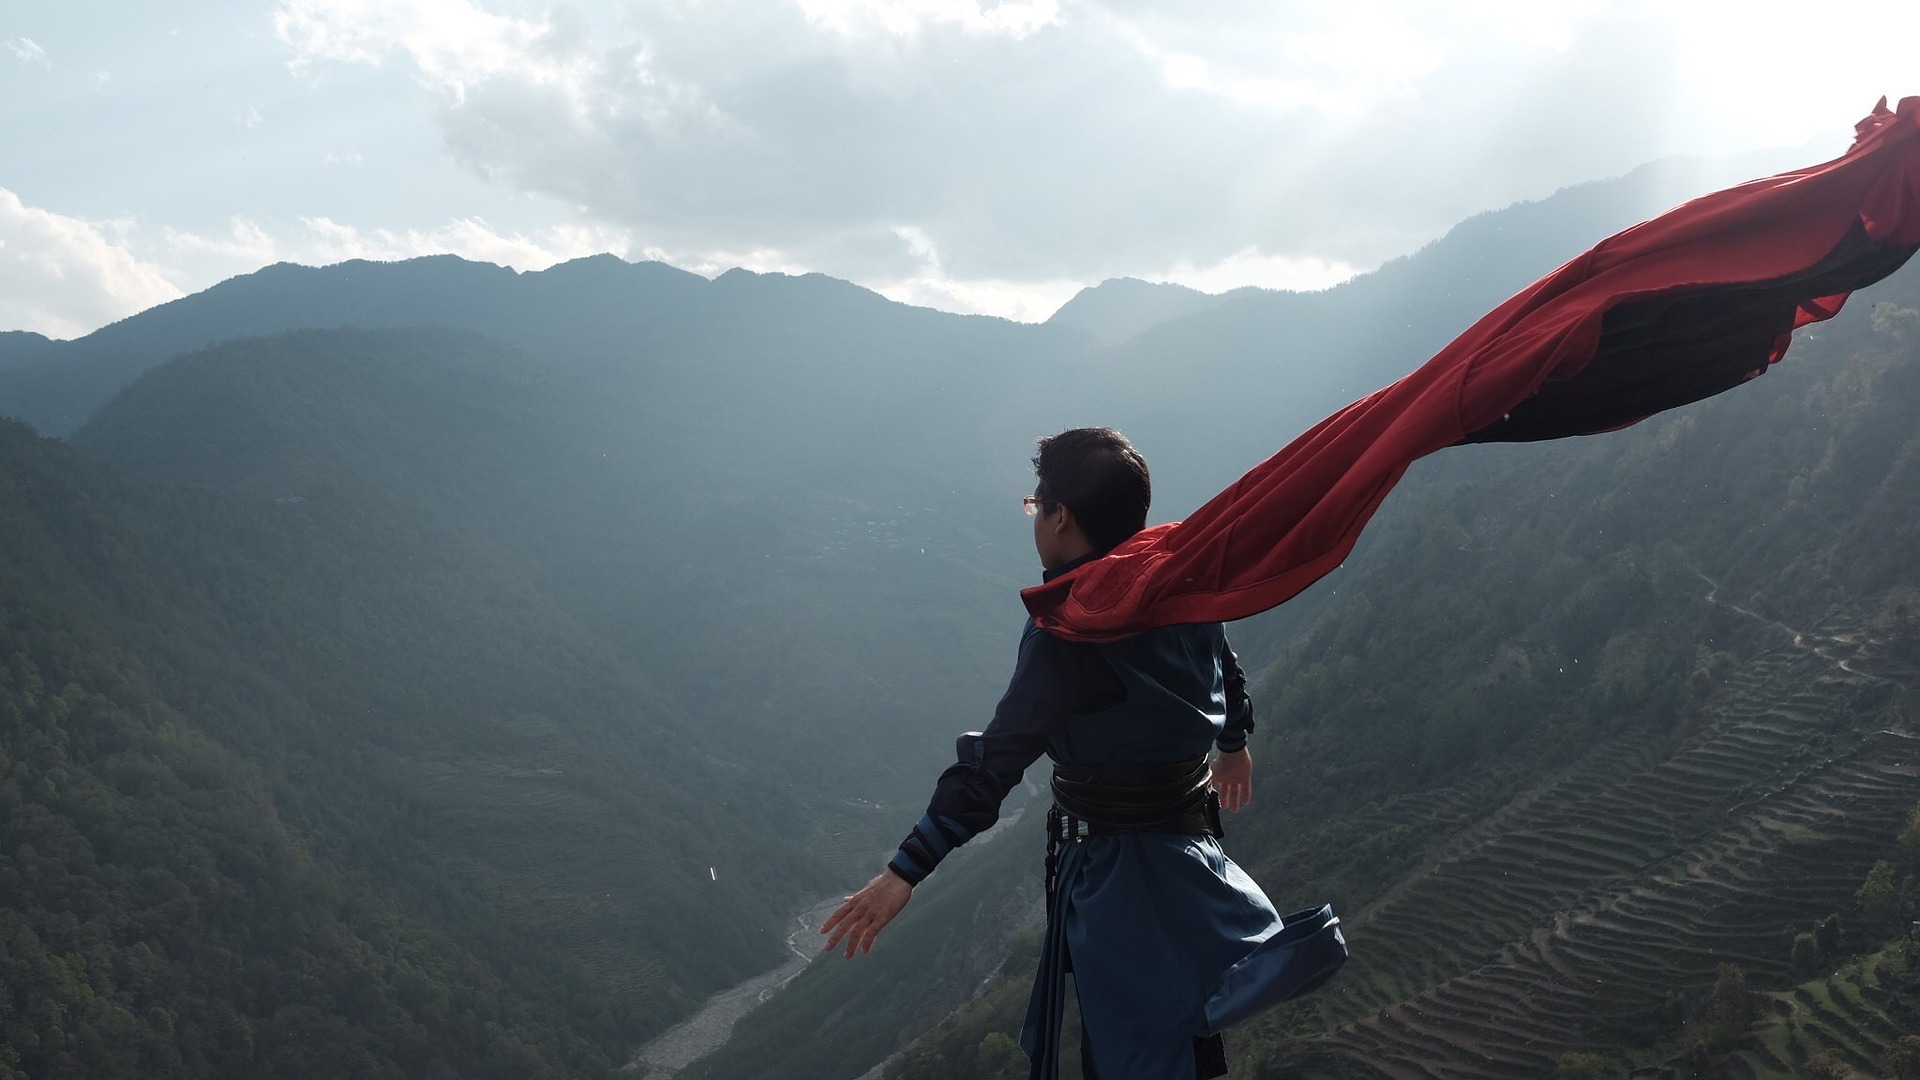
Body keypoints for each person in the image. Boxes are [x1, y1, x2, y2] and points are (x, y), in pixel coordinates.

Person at [822, 427, 1302, 1080]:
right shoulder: (1178, 577)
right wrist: (1234, 741)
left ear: (1061, 516)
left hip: (1114, 869)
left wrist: (906, 868)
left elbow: (998, 759)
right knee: (1183, 1020)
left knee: (1132, 1040)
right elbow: (1223, 659)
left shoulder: (1073, 629)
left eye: (1035, 505)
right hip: (1193, 849)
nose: (1034, 518)